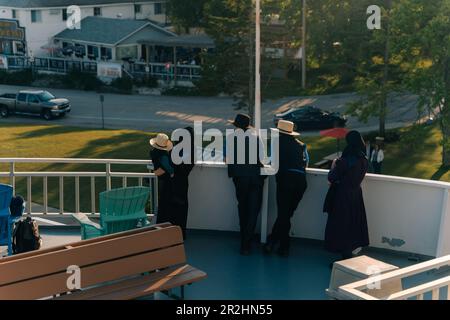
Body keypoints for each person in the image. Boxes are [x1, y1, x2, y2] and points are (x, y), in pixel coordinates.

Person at [264, 120, 309, 257]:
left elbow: (272, 162)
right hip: (301, 182)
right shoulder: (302, 145)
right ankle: (274, 240)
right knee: (286, 214)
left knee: (284, 214)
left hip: (285, 181)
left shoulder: (277, 143)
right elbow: (306, 162)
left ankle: (282, 246)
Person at [324, 130, 369, 261]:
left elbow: (331, 177)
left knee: (341, 224)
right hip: (356, 195)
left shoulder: (344, 161)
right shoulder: (364, 160)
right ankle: (349, 253)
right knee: (352, 224)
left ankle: (344, 256)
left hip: (342, 196)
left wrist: (334, 165)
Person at [227, 113, 265, 255]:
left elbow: (228, 158)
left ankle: (244, 241)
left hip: (239, 178)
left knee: (242, 208)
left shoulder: (231, 138)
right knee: (253, 210)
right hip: (255, 177)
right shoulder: (256, 137)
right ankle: (247, 243)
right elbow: (261, 158)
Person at [170, 127, 195, 240]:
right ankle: (181, 233)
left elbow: (180, 167)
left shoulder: (179, 150)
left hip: (175, 182)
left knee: (175, 208)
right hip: (183, 182)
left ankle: (175, 233)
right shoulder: (191, 150)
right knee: (182, 208)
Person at [149, 133, 175, 225]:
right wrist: (172, 172)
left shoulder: (154, 153)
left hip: (159, 178)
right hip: (165, 180)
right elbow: (169, 167)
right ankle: (165, 222)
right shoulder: (163, 155)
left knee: (161, 200)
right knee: (165, 201)